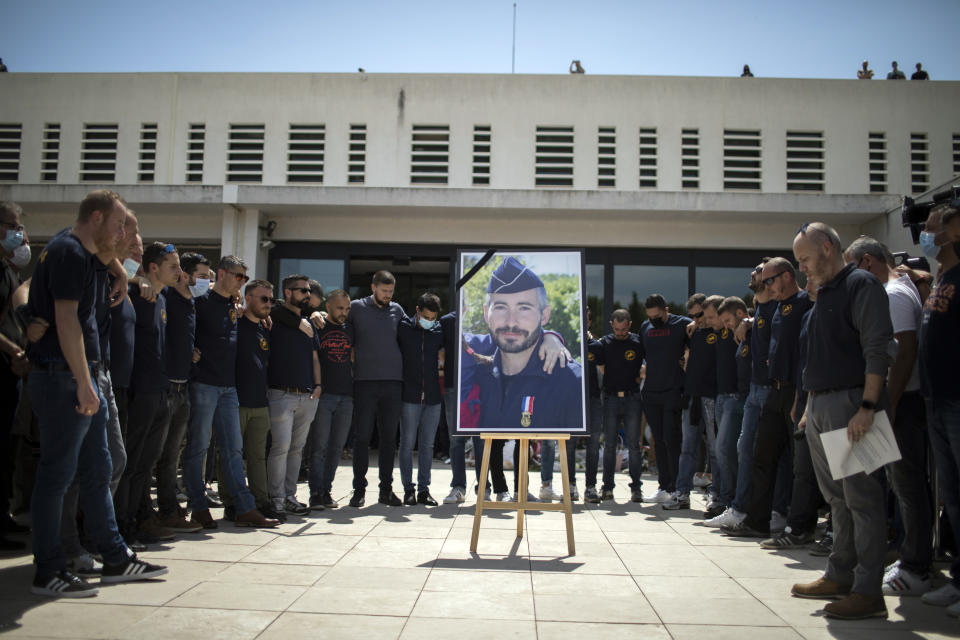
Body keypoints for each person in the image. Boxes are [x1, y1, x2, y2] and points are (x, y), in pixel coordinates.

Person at [26, 190, 167, 597]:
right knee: (56, 477)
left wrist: (122, 272)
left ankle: (116, 558)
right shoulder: (68, 252)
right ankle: (48, 570)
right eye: (121, 224)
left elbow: (107, 266)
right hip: (64, 376)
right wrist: (85, 383)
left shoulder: (84, 257)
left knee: (99, 470)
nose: (125, 233)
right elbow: (66, 321)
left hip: (82, 375)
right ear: (97, 217)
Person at [790, 222, 893, 620]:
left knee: (863, 500)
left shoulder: (861, 285)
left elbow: (877, 349)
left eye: (805, 258)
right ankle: (840, 574)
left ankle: (868, 592)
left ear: (828, 248)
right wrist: (808, 409)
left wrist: (867, 406)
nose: (802, 268)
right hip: (820, 408)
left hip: (853, 406)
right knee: (837, 499)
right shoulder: (824, 295)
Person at [846, 235, 931, 595]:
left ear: (867, 262)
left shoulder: (891, 295)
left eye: (852, 268)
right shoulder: (899, 289)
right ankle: (906, 556)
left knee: (905, 486)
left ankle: (914, 566)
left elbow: (904, 350)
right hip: (897, 402)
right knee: (898, 485)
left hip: (900, 402)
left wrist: (887, 404)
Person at [183, 255, 278, 529]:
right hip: (203, 385)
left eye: (245, 278)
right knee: (198, 448)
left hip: (229, 388)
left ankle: (243, 507)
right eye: (239, 277)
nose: (242, 282)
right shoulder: (200, 302)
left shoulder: (233, 306)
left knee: (233, 449)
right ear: (222, 274)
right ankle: (198, 506)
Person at [722, 257, 812, 538]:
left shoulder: (805, 303)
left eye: (769, 280)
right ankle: (756, 521)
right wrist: (747, 321)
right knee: (761, 455)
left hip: (797, 391)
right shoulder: (774, 306)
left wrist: (802, 397)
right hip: (773, 390)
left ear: (787, 276)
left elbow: (805, 353)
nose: (765, 285)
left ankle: (799, 526)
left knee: (799, 463)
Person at [113, 242, 181, 546]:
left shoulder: (161, 298)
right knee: (130, 462)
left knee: (145, 464)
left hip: (160, 390)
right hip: (139, 391)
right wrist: (134, 280)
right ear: (153, 268)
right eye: (173, 266)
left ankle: (137, 519)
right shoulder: (136, 295)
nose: (179, 273)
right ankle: (121, 525)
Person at [474, 257, 583, 430]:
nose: (511, 321)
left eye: (524, 308)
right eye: (501, 307)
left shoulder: (573, 382)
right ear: (486, 313)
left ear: (544, 315)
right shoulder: (473, 371)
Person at [916, 203, 960, 615]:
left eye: (931, 229)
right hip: (937, 397)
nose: (926, 237)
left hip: (956, 400)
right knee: (954, 497)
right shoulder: (942, 278)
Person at [154, 252, 208, 533]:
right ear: (185, 275)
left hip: (183, 385)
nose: (205, 282)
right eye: (201, 275)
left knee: (171, 454)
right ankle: (145, 515)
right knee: (152, 455)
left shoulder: (194, 304)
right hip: (162, 388)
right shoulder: (162, 297)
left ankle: (168, 510)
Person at [349, 270, 405, 507]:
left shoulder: (397, 310)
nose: (388, 296)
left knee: (389, 439)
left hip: (393, 383)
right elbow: (338, 321)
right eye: (384, 291)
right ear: (373, 287)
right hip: (364, 382)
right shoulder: (356, 308)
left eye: (391, 291)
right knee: (361, 437)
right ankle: (359, 490)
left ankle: (386, 490)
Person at [267, 274, 322, 516]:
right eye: (302, 290)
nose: (307, 295)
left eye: (308, 291)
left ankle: (289, 495)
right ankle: (276, 498)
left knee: (296, 449)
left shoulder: (308, 323)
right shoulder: (275, 318)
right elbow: (273, 308)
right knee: (280, 448)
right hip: (281, 394)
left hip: (307, 396)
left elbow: (314, 357)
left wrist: (319, 385)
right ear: (288, 292)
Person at [228, 279, 280, 521]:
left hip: (260, 402)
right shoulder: (234, 322)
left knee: (258, 455)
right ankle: (231, 502)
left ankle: (261, 501)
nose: (268, 304)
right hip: (235, 400)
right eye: (263, 299)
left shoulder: (264, 328)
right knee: (231, 454)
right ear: (247, 298)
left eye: (271, 299)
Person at [640, 294, 690, 503]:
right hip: (651, 392)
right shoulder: (645, 328)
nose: (654, 321)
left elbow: (699, 338)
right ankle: (663, 486)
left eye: (658, 317)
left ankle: (677, 487)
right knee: (657, 440)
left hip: (673, 391)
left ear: (666, 310)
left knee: (672, 438)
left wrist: (686, 362)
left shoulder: (683, 325)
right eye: (651, 317)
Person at [0, 202, 29, 550]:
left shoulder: (8, 271)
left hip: (12, 374)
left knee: (8, 448)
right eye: (12, 226)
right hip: (7, 363)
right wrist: (14, 351)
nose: (19, 233)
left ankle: (4, 515)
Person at [308, 289, 354, 510]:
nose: (343, 313)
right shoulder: (317, 326)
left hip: (347, 396)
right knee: (319, 447)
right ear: (327, 307)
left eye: (347, 308)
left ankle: (326, 490)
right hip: (323, 396)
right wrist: (313, 314)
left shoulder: (350, 328)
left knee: (337, 447)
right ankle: (315, 492)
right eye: (339, 308)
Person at [671, 293, 718, 511]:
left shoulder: (720, 331)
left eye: (700, 314)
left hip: (713, 397)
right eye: (693, 316)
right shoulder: (694, 332)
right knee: (687, 448)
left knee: (716, 450)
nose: (697, 319)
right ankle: (682, 493)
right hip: (692, 398)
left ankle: (717, 495)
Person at [398, 292, 444, 506]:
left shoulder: (438, 331)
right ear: (417, 310)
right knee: (407, 444)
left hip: (433, 397)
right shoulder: (403, 328)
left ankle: (424, 490)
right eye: (426, 317)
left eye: (433, 318)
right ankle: (408, 489)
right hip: (409, 395)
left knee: (427, 445)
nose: (430, 322)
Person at [594, 309, 644, 502]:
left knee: (634, 445)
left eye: (623, 330)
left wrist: (639, 377)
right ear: (611, 325)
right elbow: (602, 367)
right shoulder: (605, 343)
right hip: (611, 398)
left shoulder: (638, 343)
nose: (620, 333)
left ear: (629, 325)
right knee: (609, 445)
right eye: (616, 329)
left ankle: (636, 488)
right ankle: (607, 488)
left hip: (632, 398)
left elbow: (645, 365)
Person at [439, 309, 484, 504]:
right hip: (454, 389)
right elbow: (439, 350)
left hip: (480, 389)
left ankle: (484, 488)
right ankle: (458, 487)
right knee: (455, 439)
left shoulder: (484, 319)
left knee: (480, 440)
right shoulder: (447, 321)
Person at [713, 296, 751, 519]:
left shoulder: (749, 328)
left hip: (743, 397)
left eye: (727, 320)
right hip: (736, 397)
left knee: (727, 448)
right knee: (726, 449)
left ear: (739, 313)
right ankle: (732, 502)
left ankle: (736, 504)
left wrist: (749, 322)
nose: (726, 326)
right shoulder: (738, 332)